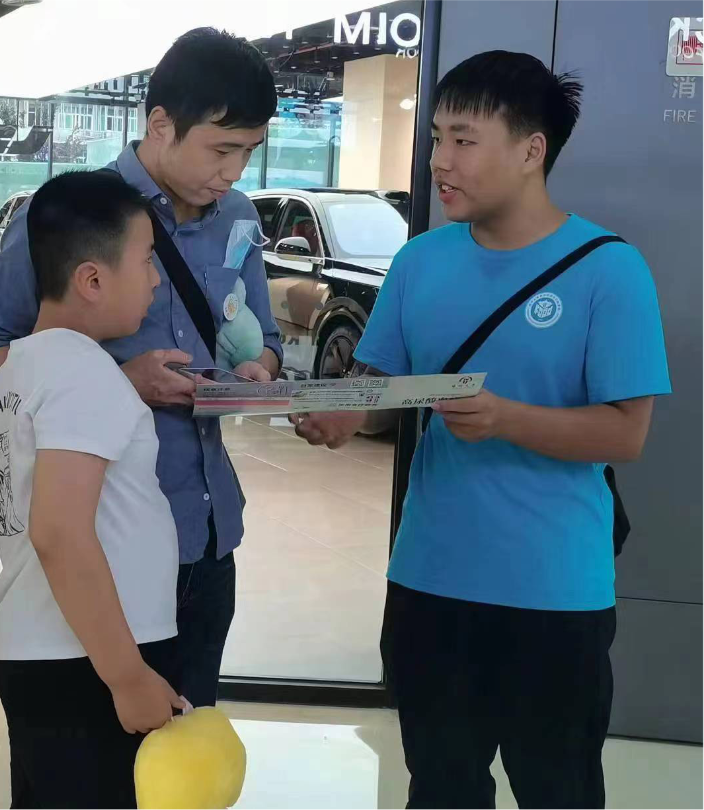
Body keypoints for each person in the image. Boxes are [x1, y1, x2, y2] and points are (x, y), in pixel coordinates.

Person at [294, 51, 671, 809]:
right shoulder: (419, 261)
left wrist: (507, 420)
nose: (441, 160)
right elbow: (377, 389)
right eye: (437, 138)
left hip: (555, 592)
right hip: (430, 580)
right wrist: (340, 414)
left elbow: (625, 434)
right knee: (441, 788)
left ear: (532, 150)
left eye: (464, 140)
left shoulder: (609, 270)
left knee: (558, 791)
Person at [0, 28, 282, 708]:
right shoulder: (75, 215)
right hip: (101, 545)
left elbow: (264, 338)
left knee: (187, 743)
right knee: (96, 746)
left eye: (249, 152)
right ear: (160, 124)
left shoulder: (237, 218)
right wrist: (117, 384)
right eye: (221, 149)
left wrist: (259, 370)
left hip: (206, 532)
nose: (234, 172)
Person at [0, 170, 185, 809]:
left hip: (51, 648)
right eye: (147, 261)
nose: (156, 280)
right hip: (86, 658)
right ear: (92, 280)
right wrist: (127, 677)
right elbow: (61, 533)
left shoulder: (24, 364)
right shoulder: (82, 371)